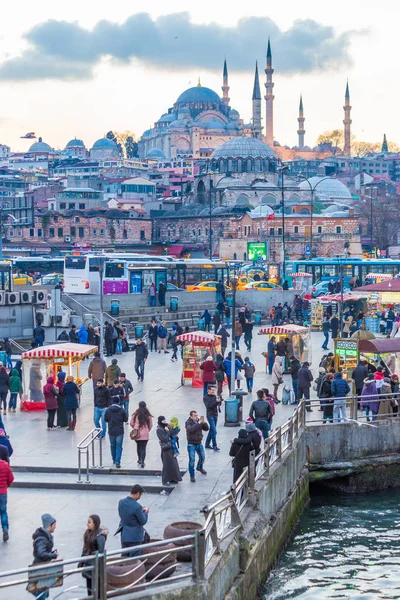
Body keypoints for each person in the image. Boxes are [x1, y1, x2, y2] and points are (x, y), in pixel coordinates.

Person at [80, 515, 107, 597]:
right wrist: (81, 561)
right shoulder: (87, 534)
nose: (87, 524)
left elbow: (101, 551)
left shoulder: (100, 536)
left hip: (96, 566)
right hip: (88, 564)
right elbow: (85, 548)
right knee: (89, 587)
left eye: (89, 522)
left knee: (97, 588)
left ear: (95, 523)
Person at [32, 513, 58, 598]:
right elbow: (41, 553)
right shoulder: (42, 539)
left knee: (44, 592)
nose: (55, 527)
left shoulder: (45, 536)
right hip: (41, 569)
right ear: (49, 525)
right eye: (54, 525)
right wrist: (53, 555)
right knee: (41, 593)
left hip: (43, 568)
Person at [118, 485, 149, 557]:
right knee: (134, 559)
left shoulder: (121, 502)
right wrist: (145, 512)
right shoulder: (137, 506)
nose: (139, 497)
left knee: (124, 557)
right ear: (138, 493)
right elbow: (143, 521)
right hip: (135, 537)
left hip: (124, 534)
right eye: (140, 495)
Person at [156, 416, 182, 486]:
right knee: (166, 464)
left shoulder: (167, 426)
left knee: (173, 463)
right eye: (163, 420)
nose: (164, 421)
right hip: (166, 448)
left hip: (171, 447)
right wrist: (167, 432)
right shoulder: (159, 429)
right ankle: (164, 480)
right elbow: (164, 438)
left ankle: (173, 478)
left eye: (165, 420)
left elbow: (172, 432)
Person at [185, 410, 209, 483]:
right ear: (191, 416)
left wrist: (204, 423)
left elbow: (206, 429)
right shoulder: (188, 423)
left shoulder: (199, 421)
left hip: (199, 442)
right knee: (192, 460)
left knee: (202, 457)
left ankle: (199, 467)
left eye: (197, 415)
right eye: (195, 416)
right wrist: (198, 423)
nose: (196, 417)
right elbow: (191, 430)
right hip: (191, 443)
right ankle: (192, 475)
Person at [104, 397, 128, 468]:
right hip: (120, 430)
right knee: (119, 446)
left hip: (111, 430)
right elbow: (125, 419)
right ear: (118, 402)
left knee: (112, 445)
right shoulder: (122, 410)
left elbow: (106, 419)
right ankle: (118, 461)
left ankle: (114, 459)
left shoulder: (108, 410)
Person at [130, 401, 153, 468]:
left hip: (137, 433)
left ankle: (139, 459)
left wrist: (135, 428)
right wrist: (147, 430)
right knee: (143, 448)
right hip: (145, 433)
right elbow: (150, 424)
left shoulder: (136, 414)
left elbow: (131, 422)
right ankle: (143, 461)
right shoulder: (148, 415)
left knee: (138, 446)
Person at [203, 384, 223, 451]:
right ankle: (214, 445)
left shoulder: (214, 396)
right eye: (212, 390)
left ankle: (207, 444)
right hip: (210, 415)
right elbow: (208, 406)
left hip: (215, 414)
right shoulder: (205, 397)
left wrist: (219, 401)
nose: (213, 391)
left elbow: (216, 404)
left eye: (214, 390)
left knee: (212, 430)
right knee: (214, 431)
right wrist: (216, 402)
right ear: (208, 390)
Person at [0, 454, 13, 542]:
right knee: (3, 512)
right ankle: (5, 529)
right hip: (2, 492)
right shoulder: (5, 465)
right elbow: (11, 478)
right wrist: (6, 486)